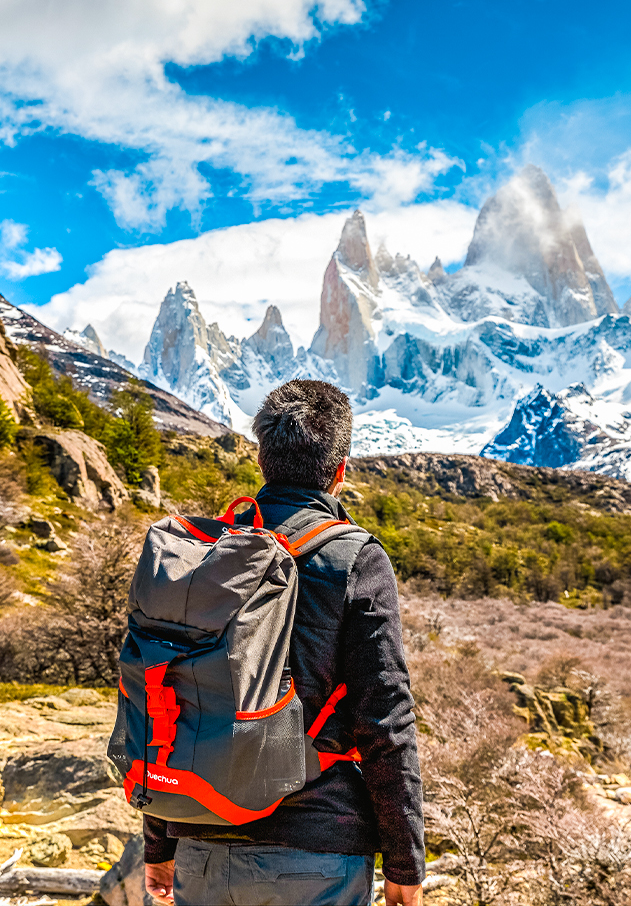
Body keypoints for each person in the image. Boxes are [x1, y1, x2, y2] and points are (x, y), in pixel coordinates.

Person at [143, 380, 424, 906]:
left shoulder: (209, 555)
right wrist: (405, 864)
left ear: (261, 457)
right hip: (316, 855)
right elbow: (386, 718)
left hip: (200, 840)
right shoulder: (354, 559)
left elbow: (171, 699)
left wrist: (158, 844)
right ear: (341, 470)